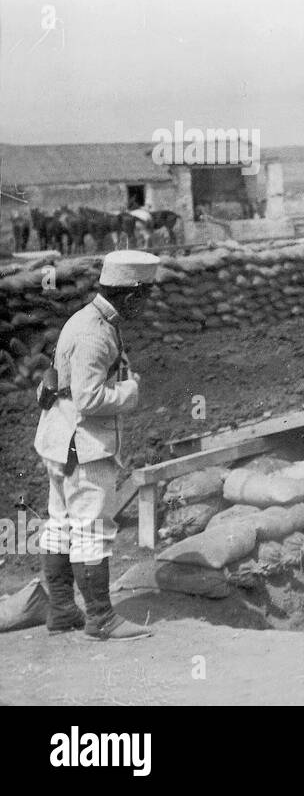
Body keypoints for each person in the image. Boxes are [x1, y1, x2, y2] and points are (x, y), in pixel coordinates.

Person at [33, 250, 159, 640]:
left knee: (61, 523)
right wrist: (130, 391)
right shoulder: (95, 332)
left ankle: (62, 610)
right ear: (131, 295)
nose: (148, 303)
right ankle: (101, 619)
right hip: (83, 446)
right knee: (91, 529)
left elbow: (55, 381)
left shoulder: (89, 319)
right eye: (146, 295)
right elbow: (89, 399)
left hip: (59, 439)